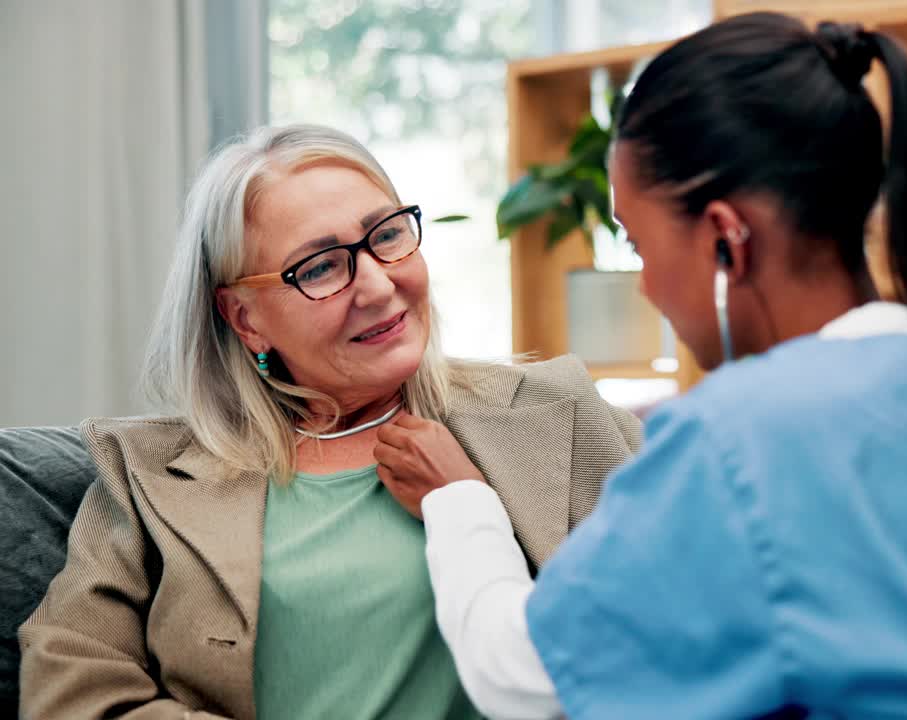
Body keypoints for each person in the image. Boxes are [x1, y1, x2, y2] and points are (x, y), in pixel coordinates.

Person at [398, 13, 907, 719]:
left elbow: (517, 676)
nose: (643, 285)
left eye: (640, 245)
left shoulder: (739, 435)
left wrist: (462, 501)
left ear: (727, 239)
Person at [19, 124, 641, 719]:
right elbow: (70, 693)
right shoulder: (146, 478)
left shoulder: (556, 413)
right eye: (318, 268)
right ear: (244, 318)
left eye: (387, 236)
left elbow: (678, 629)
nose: (376, 285)